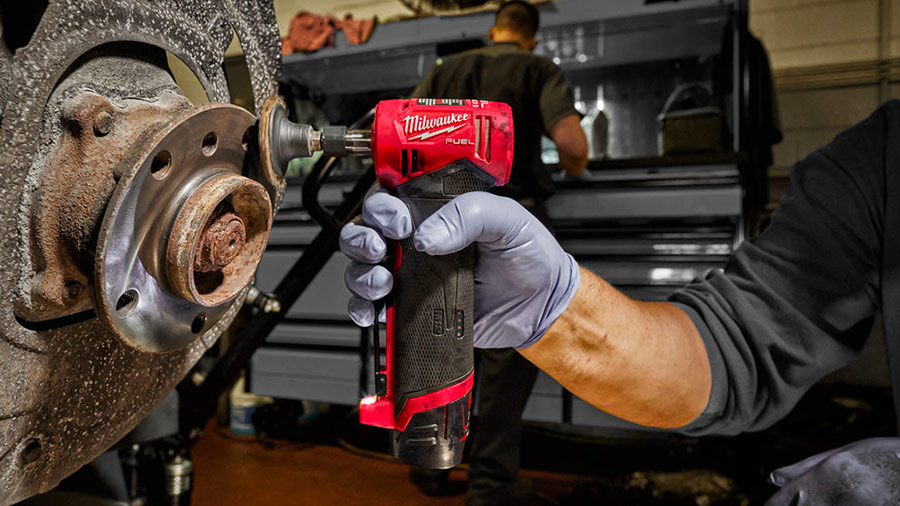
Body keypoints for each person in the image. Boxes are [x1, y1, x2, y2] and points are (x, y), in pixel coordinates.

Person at [341, 90, 900, 504]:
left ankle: (465, 476)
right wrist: (554, 308)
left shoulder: (442, 78)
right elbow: (739, 350)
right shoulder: (879, 158)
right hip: (489, 232)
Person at [382, 2, 587, 504]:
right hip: (510, 227)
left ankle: (429, 466)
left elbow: (400, 135)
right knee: (507, 356)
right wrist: (573, 166)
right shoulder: (537, 68)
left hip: (438, 221)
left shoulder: (445, 69)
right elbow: (573, 145)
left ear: (494, 30)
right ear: (530, 38)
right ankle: (490, 484)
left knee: (438, 335)